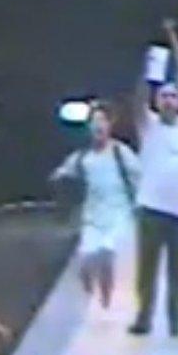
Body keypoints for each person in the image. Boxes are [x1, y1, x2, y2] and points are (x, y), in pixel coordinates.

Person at [129, 82, 178, 337]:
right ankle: (143, 317)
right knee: (146, 270)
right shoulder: (148, 126)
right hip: (150, 207)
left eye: (173, 96)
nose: (168, 101)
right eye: (163, 96)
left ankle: (176, 320)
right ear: (156, 100)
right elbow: (136, 103)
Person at [50, 102, 140, 309]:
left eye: (102, 121)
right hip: (92, 216)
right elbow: (65, 172)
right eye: (94, 121)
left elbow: (137, 178)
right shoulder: (83, 157)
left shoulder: (120, 153)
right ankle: (90, 289)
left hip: (119, 214)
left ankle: (106, 299)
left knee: (107, 253)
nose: (98, 126)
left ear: (110, 125)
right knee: (85, 258)